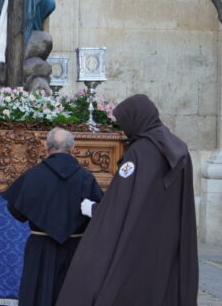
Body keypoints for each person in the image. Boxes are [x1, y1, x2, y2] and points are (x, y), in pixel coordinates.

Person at [56, 94, 199, 305]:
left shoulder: (140, 152)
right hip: (168, 237)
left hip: (137, 235)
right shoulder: (177, 147)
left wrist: (95, 210)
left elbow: (121, 201)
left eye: (124, 124)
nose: (123, 131)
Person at [2, 128, 102, 306]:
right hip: (74, 248)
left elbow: (16, 211)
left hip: (40, 247)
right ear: (72, 149)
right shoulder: (86, 177)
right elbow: (101, 214)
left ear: (46, 148)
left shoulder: (33, 175)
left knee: (36, 294)